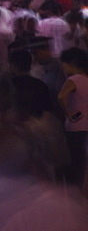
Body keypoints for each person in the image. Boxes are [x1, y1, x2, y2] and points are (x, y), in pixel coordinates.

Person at [58, 47, 88, 190]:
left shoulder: (73, 79)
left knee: (76, 162)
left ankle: (77, 193)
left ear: (71, 63)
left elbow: (61, 96)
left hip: (76, 127)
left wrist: (68, 113)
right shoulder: (86, 78)